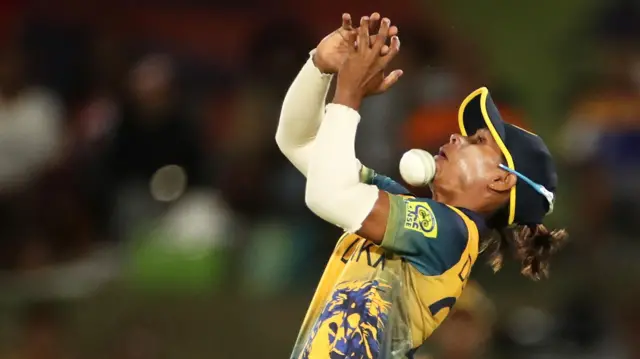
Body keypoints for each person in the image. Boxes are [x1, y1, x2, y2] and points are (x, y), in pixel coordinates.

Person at [276, 12, 568, 359]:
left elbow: (330, 197)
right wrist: (320, 67)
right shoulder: (406, 210)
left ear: (501, 179)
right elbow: (299, 142)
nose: (456, 137)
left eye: (476, 141)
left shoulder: (452, 232)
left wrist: (349, 95)